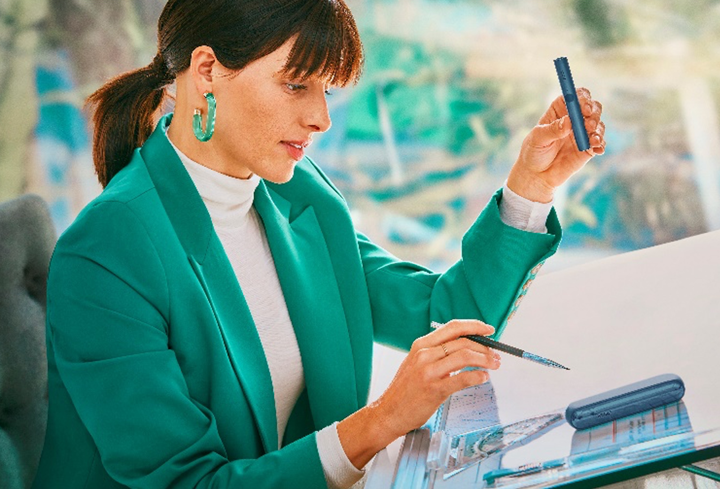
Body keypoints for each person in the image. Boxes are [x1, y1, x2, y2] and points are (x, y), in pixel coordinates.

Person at [31, 1, 606, 488]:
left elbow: (444, 318)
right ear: (206, 70)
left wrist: (531, 187)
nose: (321, 118)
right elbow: (189, 481)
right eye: (295, 84)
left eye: (326, 88)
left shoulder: (299, 196)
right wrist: (382, 420)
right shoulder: (107, 252)